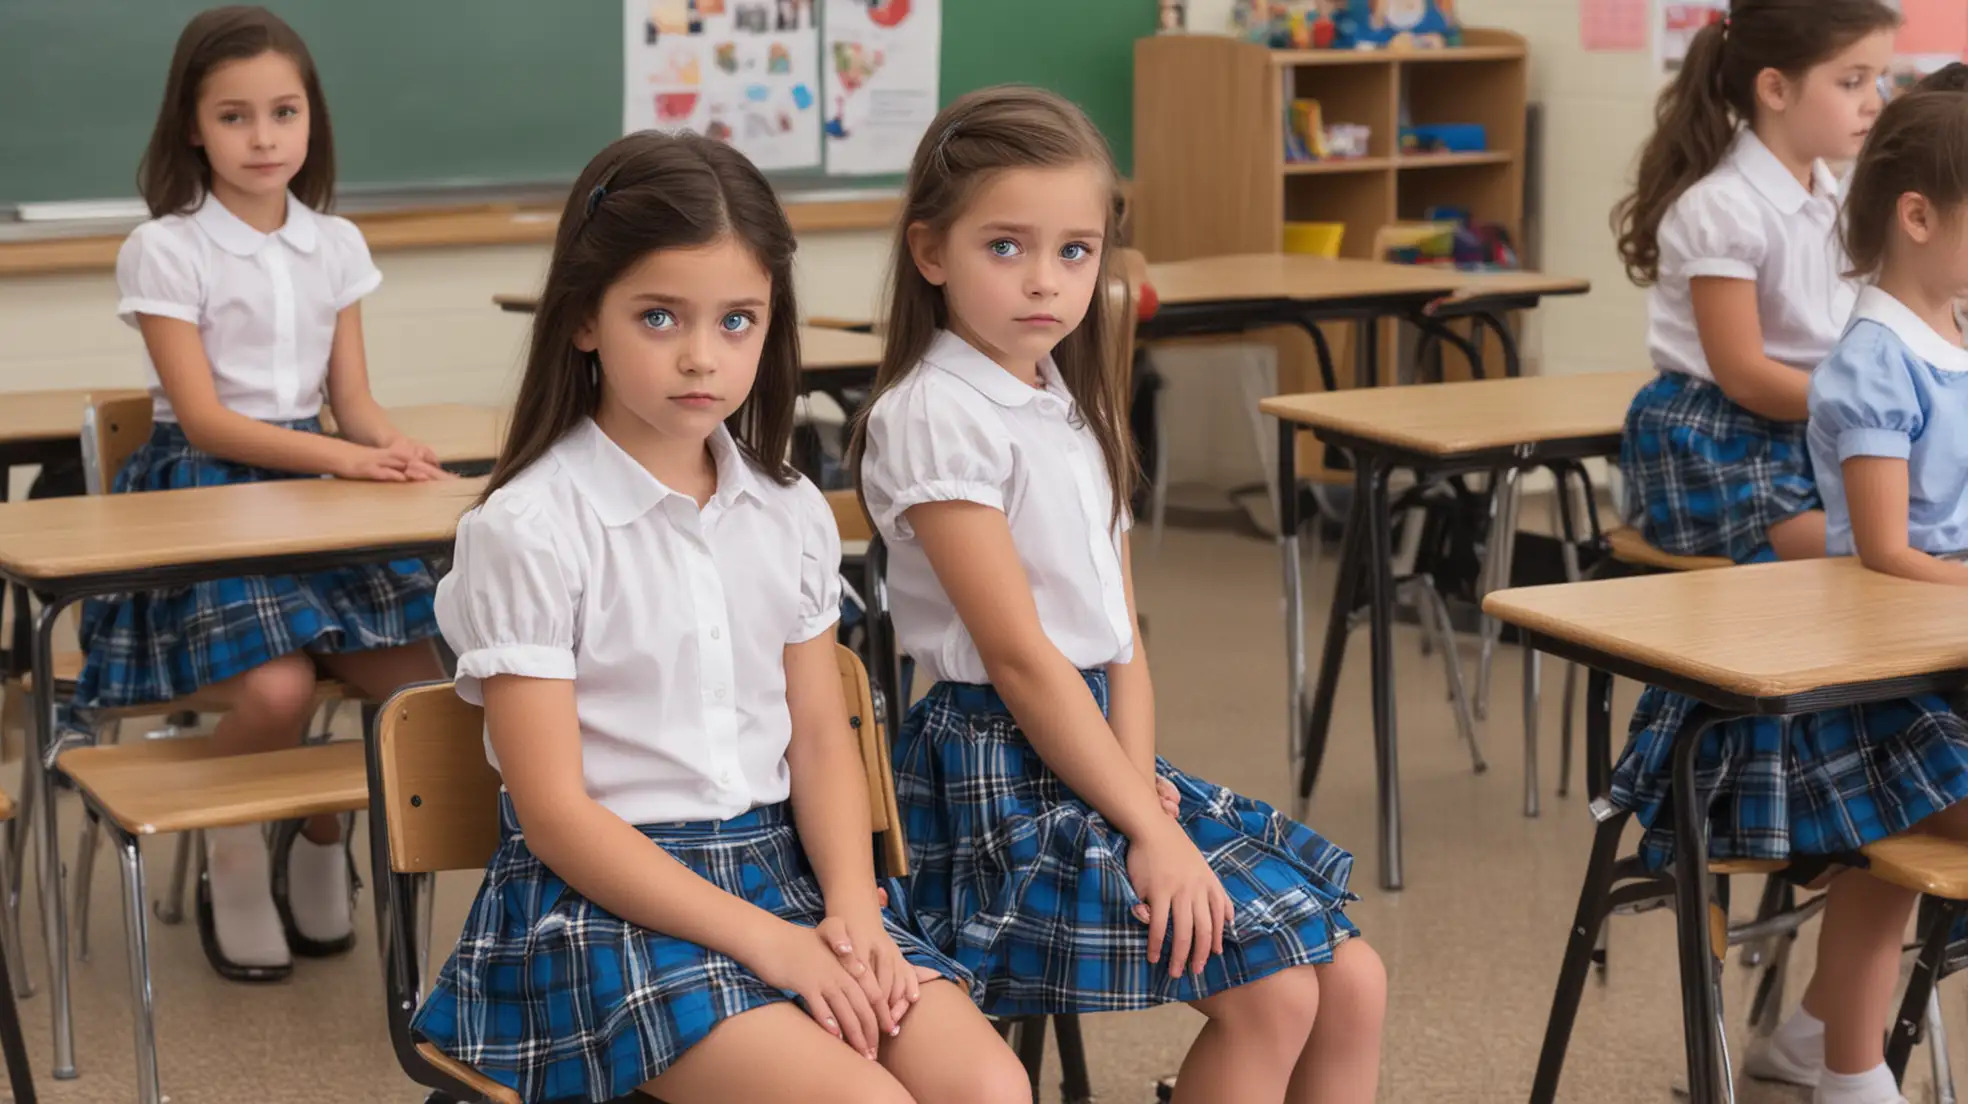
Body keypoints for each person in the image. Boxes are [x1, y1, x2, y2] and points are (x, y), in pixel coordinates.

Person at [412, 129, 1030, 1104]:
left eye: (737, 320)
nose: (702, 356)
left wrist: (850, 913)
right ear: (583, 319)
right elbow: (559, 817)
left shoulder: (786, 514)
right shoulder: (528, 528)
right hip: (603, 904)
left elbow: (822, 740)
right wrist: (776, 949)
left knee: (990, 1088)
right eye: (659, 316)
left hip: (784, 870)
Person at [851, 86, 1385, 1104]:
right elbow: (1019, 661)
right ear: (931, 252)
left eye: (1075, 251)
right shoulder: (933, 414)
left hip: (1100, 748)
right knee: (1273, 996)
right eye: (1004, 247)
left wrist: (1145, 800)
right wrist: (1147, 828)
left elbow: (1122, 640)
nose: (1044, 281)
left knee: (1351, 979)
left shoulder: (1072, 401)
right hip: (995, 770)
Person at [82, 4, 448, 982]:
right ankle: (234, 856)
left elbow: (354, 401)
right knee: (280, 687)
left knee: (423, 681)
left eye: (283, 113)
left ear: (311, 121)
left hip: (318, 491)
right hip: (204, 492)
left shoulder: (333, 244)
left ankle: (323, 835)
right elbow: (203, 422)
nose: (263, 137)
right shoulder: (166, 247)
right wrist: (343, 459)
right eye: (234, 116)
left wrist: (397, 450)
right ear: (191, 127)